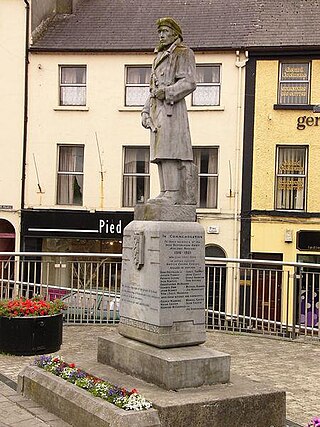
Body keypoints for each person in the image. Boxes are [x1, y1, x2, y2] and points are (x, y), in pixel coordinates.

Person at [141, 17, 198, 205]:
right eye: (159, 32)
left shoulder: (183, 53)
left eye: (165, 31)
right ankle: (165, 190)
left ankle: (173, 193)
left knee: (171, 151)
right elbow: (152, 88)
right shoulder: (158, 58)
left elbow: (189, 83)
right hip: (158, 110)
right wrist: (145, 112)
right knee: (160, 154)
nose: (161, 35)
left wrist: (166, 92)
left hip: (172, 109)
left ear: (175, 34)